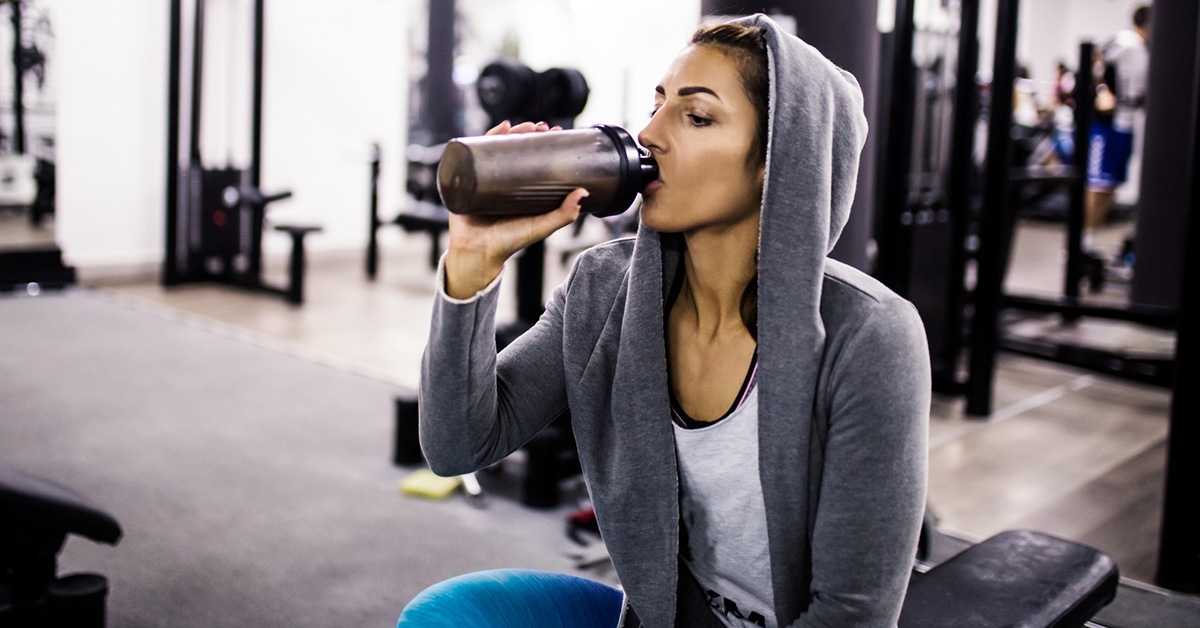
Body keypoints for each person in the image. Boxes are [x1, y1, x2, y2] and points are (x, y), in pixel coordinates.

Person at [401, 13, 930, 628]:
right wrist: (471, 265)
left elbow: (851, 616)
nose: (649, 134)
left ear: (777, 161)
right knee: (444, 616)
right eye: (658, 104)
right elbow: (457, 444)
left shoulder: (871, 336)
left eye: (697, 116)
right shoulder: (604, 290)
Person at [1085, 4, 1150, 241]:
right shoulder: (1126, 41)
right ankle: (1084, 239)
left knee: (1111, 183)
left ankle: (1092, 237)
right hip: (1108, 122)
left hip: (1127, 121)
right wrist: (1103, 91)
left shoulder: (1145, 48)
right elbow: (1095, 56)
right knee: (1099, 182)